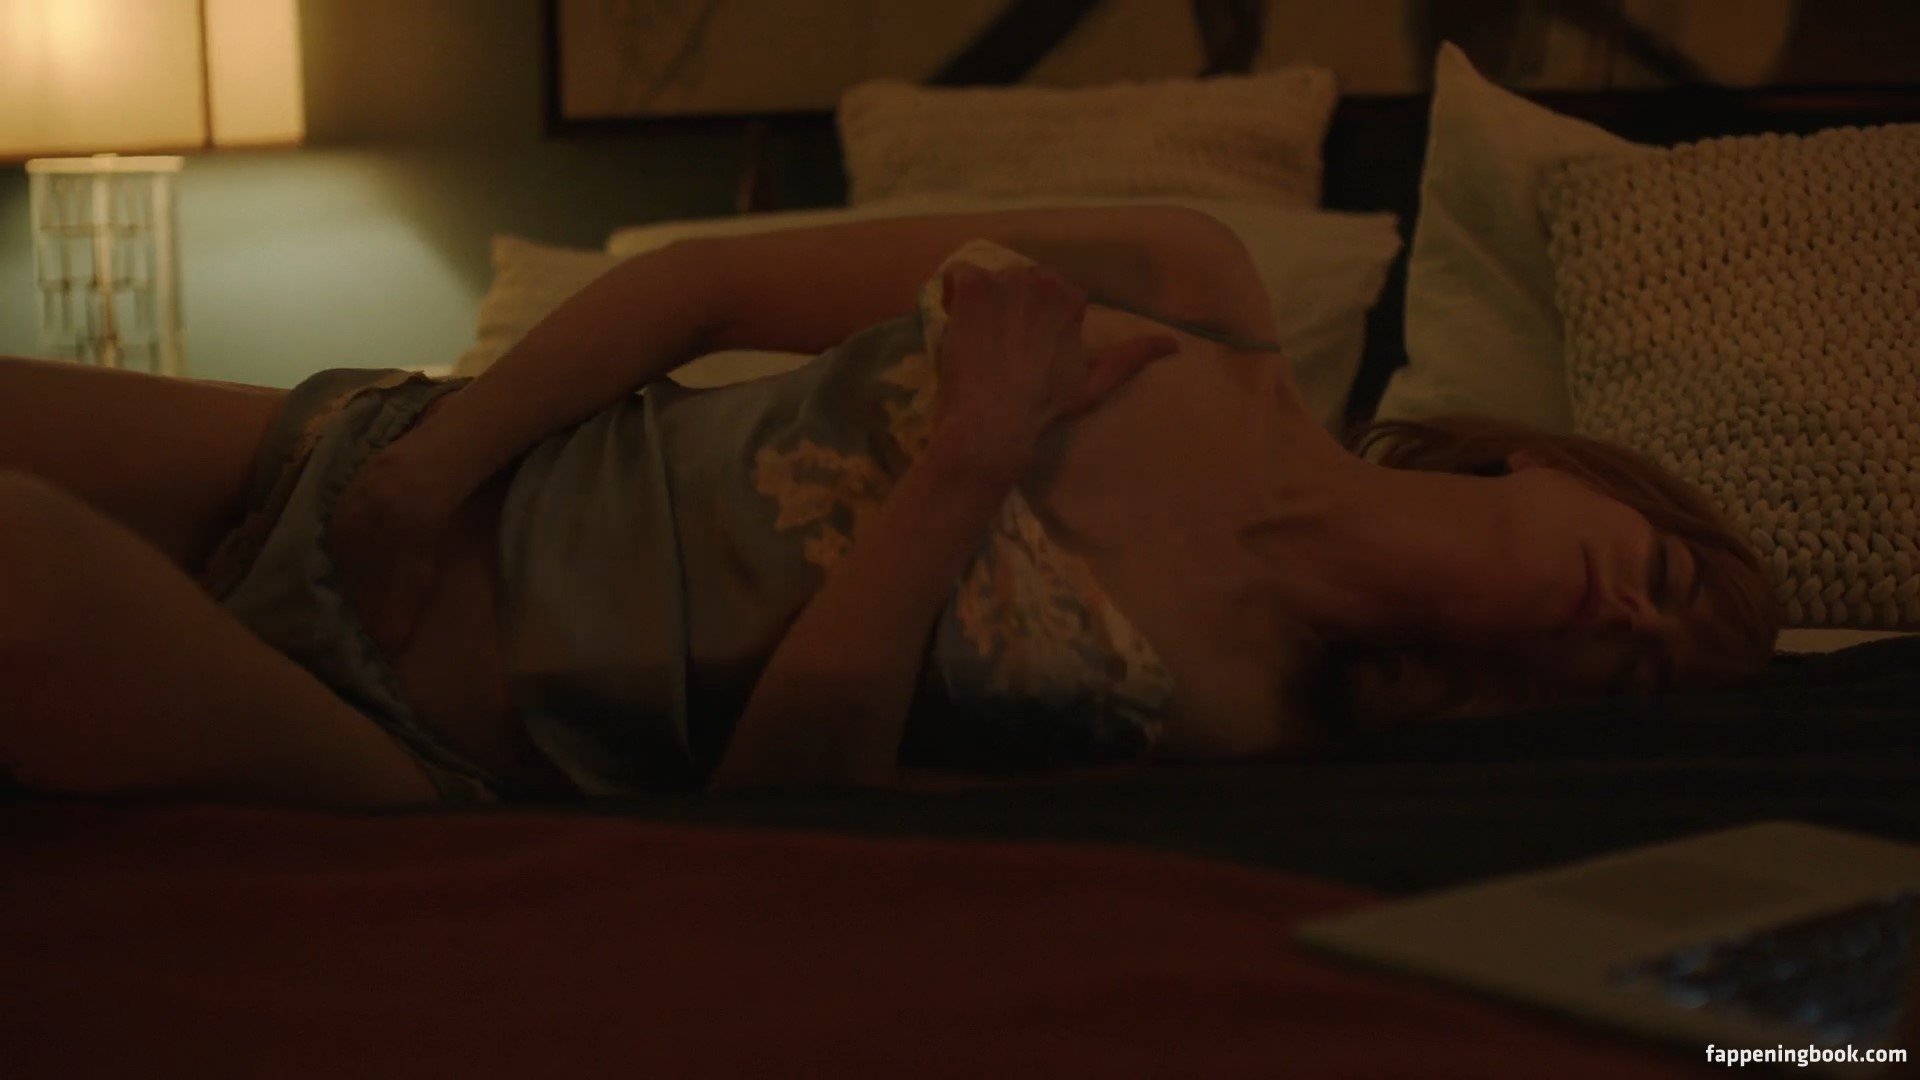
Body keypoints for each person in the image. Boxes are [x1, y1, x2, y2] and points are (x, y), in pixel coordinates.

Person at [0, 205, 1779, 811]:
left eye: (1639, 670)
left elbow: (789, 802)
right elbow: (701, 286)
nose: (1623, 619)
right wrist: (419, 478)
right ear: (1560, 464)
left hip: (410, 737)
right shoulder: (1197, 295)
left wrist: (972, 459)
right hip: (371, 471)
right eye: (1649, 570)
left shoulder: (1246, 734)